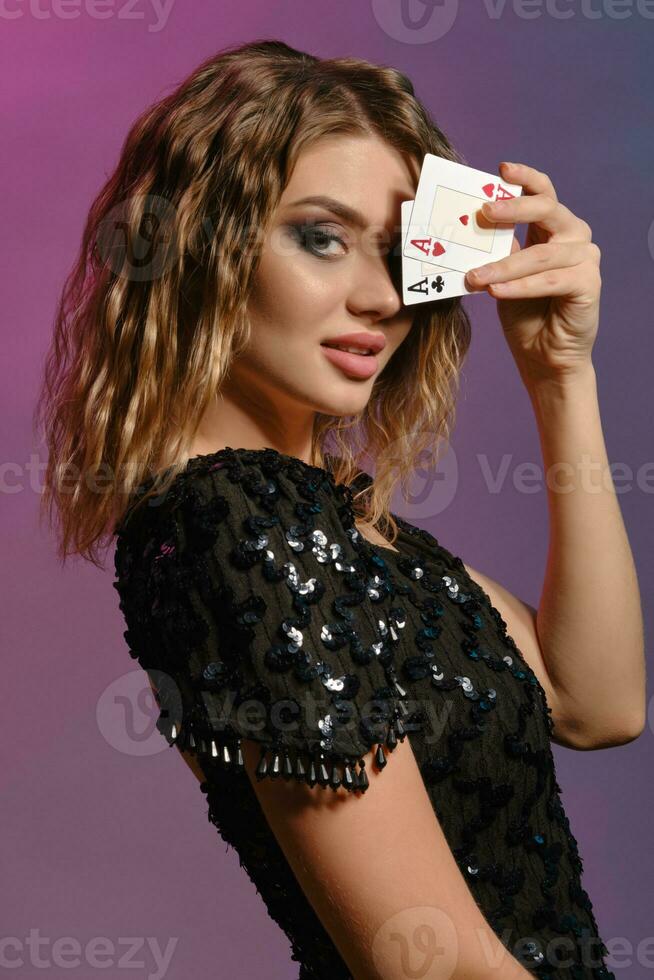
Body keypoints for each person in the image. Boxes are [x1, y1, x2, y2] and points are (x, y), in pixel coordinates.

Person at [35, 38, 645, 980]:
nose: (380, 298)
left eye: (402, 253)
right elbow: (427, 964)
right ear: (201, 242)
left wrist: (561, 376)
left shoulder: (322, 518)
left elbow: (596, 703)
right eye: (320, 236)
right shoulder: (237, 524)